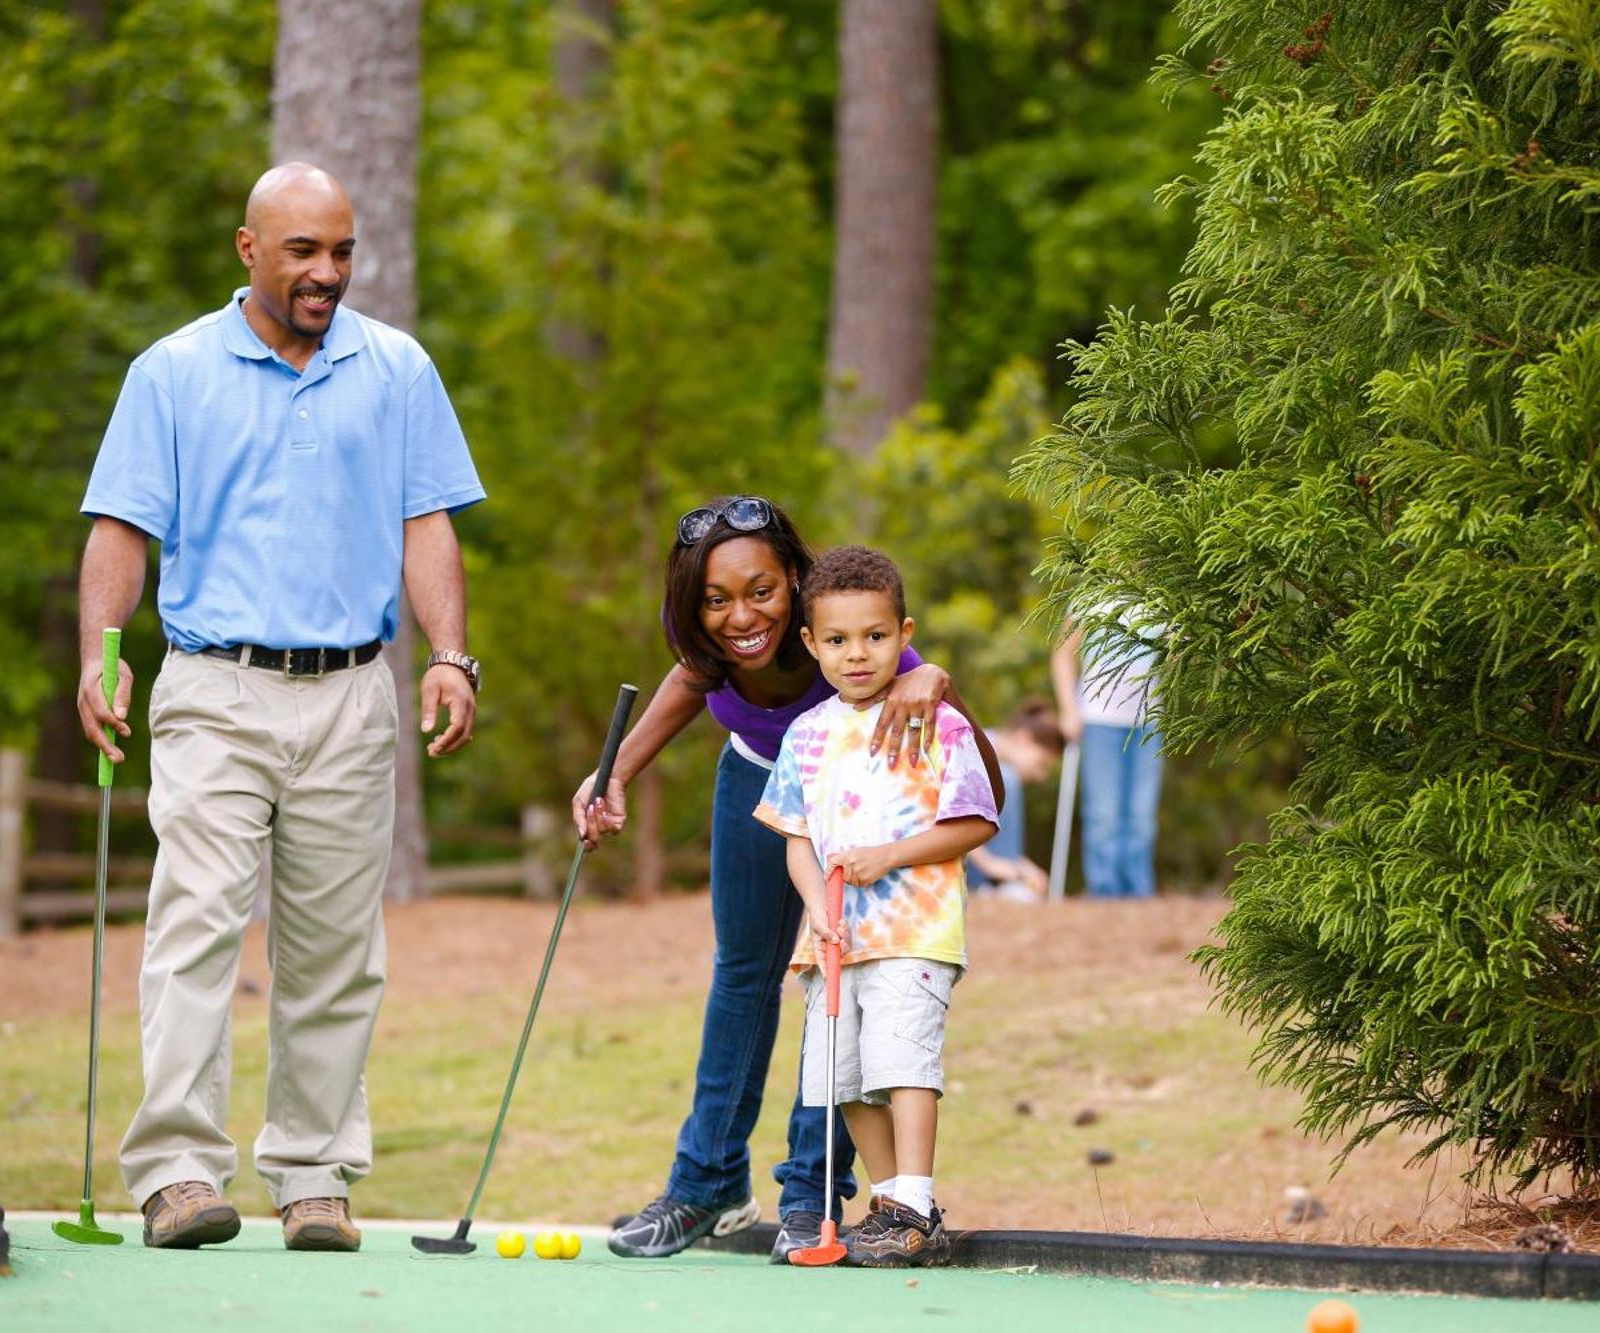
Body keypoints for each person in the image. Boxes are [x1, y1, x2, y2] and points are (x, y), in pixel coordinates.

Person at [74, 162, 485, 1252]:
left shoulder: (395, 368)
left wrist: (452, 655)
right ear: (248, 250)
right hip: (214, 684)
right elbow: (121, 529)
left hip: (354, 691)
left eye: (341, 251)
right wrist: (101, 654)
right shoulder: (170, 372)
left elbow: (428, 522)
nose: (326, 272)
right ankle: (175, 1173)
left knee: (337, 947)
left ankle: (313, 1175)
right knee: (197, 919)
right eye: (303, 250)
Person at [575, 497, 1001, 1262]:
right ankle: (706, 1188)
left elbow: (982, 782)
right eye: (716, 599)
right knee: (742, 974)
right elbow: (688, 682)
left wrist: (930, 674)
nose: (741, 615)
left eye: (761, 591)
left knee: (834, 983)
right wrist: (614, 775)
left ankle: (811, 1196)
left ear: (796, 583)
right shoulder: (708, 639)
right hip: (757, 783)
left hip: (855, 809)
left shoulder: (855, 641)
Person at [755, 546, 998, 1267]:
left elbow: (979, 820)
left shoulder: (937, 721)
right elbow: (797, 839)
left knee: (901, 1064)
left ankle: (916, 1203)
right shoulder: (805, 735)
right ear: (810, 644)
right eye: (836, 640)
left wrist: (888, 856)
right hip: (833, 936)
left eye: (875, 636)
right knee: (846, 1078)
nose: (856, 654)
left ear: (904, 631)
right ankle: (894, 1209)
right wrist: (813, 906)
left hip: (913, 928)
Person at [1051, 608, 1164, 898]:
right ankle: (1104, 890)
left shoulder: (1163, 599)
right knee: (1104, 812)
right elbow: (1063, 655)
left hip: (1149, 721)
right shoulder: (1090, 599)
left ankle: (1138, 891)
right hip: (1099, 718)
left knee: (1142, 813)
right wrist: (1068, 709)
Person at [965, 698, 1067, 903]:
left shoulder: (1001, 764)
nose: (1041, 776)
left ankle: (1005, 882)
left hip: (977, 859)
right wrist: (991, 865)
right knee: (1007, 779)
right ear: (1023, 738)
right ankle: (997, 884)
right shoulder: (974, 749)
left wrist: (1022, 867)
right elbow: (952, 812)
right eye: (1042, 764)